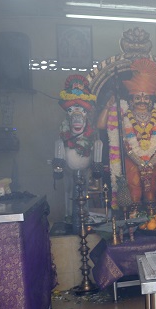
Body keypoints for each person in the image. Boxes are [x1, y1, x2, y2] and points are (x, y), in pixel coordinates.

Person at [98, 58, 156, 212]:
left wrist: (153, 158)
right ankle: (134, 215)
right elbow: (105, 127)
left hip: (154, 158)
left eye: (146, 98)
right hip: (131, 159)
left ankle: (151, 213)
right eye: (138, 97)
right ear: (131, 100)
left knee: (151, 190)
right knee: (134, 189)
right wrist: (108, 105)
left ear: (151, 100)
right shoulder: (124, 116)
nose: (142, 101)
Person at [53, 74, 103, 226]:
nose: (77, 116)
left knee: (85, 191)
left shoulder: (92, 134)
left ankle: (85, 215)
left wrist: (97, 165)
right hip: (68, 168)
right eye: (73, 110)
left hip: (86, 168)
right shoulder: (64, 133)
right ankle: (69, 215)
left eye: (81, 110)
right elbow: (60, 144)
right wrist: (58, 166)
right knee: (68, 190)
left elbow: (97, 146)